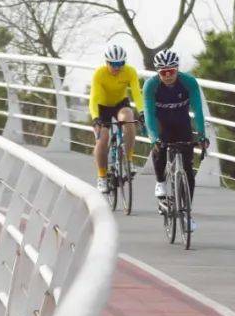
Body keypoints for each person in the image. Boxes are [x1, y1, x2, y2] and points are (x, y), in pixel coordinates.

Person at [144, 49, 209, 226]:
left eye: (171, 71)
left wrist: (202, 135)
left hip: (182, 124)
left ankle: (186, 212)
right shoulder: (151, 85)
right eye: (163, 72)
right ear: (158, 72)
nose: (167, 76)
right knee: (159, 151)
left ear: (177, 69)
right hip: (161, 124)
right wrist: (154, 138)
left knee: (187, 169)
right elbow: (149, 115)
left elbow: (198, 110)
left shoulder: (188, 82)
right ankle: (160, 182)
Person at [89, 42, 144, 189]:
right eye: (113, 64)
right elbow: (93, 98)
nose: (116, 67)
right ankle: (102, 176)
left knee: (129, 118)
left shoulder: (130, 72)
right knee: (103, 138)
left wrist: (143, 112)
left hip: (120, 104)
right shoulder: (99, 74)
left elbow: (137, 94)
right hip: (102, 107)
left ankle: (129, 159)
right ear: (106, 62)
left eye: (120, 63)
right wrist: (95, 118)